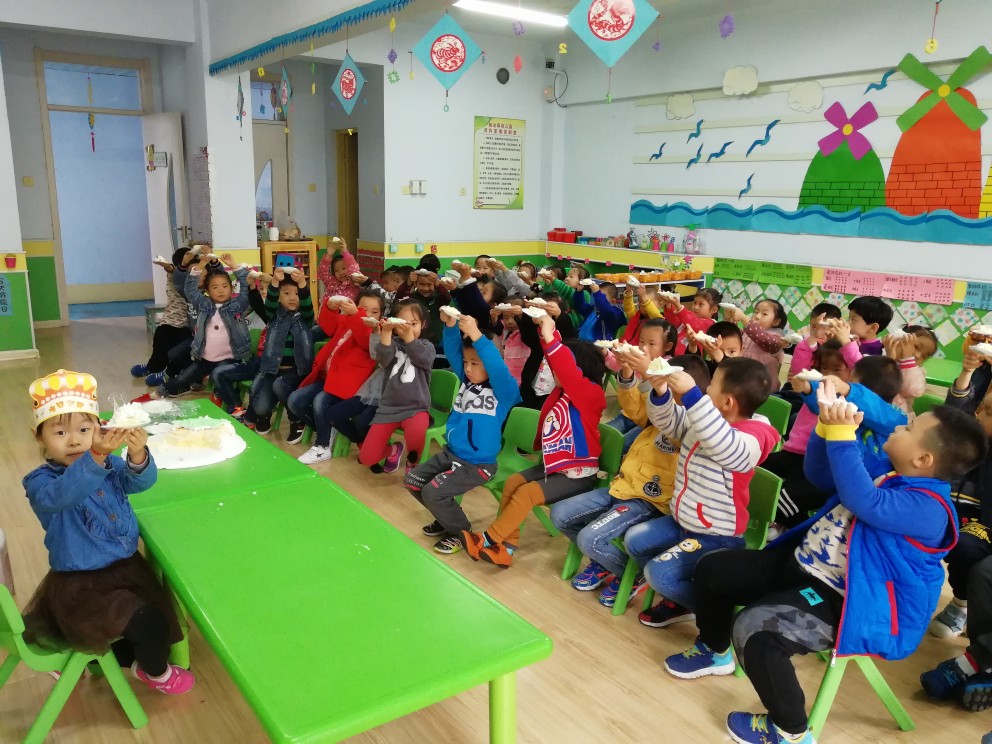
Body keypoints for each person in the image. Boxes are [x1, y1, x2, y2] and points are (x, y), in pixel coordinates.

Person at [665, 386, 986, 744]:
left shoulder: (930, 510)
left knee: (757, 629)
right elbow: (820, 475)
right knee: (713, 569)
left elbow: (865, 501)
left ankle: (790, 730)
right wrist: (824, 427)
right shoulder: (888, 470)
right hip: (804, 566)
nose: (899, 427)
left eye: (909, 428)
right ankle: (715, 650)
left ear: (923, 459)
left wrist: (843, 436)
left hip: (848, 601)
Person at [23, 369, 193, 694]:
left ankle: (109, 658)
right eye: (60, 432)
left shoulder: (110, 465)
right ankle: (155, 673)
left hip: (125, 569)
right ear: (39, 437)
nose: (74, 440)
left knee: (155, 616)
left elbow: (139, 482)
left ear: (99, 429)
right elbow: (62, 495)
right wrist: (96, 455)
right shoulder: (41, 482)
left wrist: (137, 454)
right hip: (82, 584)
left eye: (84, 429)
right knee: (148, 622)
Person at [625, 357, 780, 628]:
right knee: (635, 540)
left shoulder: (752, 438)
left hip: (716, 536)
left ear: (727, 402)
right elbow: (669, 423)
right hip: (683, 522)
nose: (706, 389)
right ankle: (679, 596)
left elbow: (723, 445)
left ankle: (718, 614)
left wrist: (692, 395)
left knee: (658, 574)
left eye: (712, 386)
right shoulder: (706, 419)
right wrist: (660, 391)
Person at [551, 355, 710, 608]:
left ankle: (630, 574)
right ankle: (606, 561)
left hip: (647, 500)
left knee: (589, 539)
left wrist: (661, 387)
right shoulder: (660, 409)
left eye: (667, 383)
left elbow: (674, 426)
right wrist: (626, 373)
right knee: (560, 514)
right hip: (622, 486)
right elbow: (634, 407)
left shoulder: (694, 427)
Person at [461, 314, 607, 568]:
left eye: (560, 366)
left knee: (526, 493)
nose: (552, 369)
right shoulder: (562, 392)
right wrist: (547, 332)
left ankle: (489, 538)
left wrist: (551, 337)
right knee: (513, 483)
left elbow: (566, 368)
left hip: (578, 474)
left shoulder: (591, 395)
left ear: (579, 370)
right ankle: (506, 548)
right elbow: (556, 358)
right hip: (555, 466)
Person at [404, 311, 520, 554]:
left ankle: (461, 533)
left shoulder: (505, 390)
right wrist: (450, 326)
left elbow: (497, 367)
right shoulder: (467, 381)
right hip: (451, 454)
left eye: (475, 363)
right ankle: (446, 519)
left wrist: (476, 335)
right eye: (467, 363)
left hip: (478, 464)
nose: (467, 368)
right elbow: (454, 352)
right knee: (413, 481)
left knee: (433, 492)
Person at [926, 350, 992, 639]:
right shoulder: (973, 435)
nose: (978, 415)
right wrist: (967, 373)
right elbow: (955, 415)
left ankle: (961, 603)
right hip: (949, 505)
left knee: (966, 546)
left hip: (982, 522)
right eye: (982, 408)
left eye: (987, 413)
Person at [142, 253, 251, 402]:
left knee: (220, 377)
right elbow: (190, 290)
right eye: (215, 287)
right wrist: (200, 265)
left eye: (225, 286)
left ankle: (233, 405)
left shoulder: (237, 306)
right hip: (206, 358)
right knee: (182, 378)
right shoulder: (204, 304)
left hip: (230, 358)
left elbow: (246, 288)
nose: (220, 290)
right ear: (207, 291)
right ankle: (159, 393)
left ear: (231, 289)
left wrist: (233, 266)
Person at [289, 290, 381, 463]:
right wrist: (330, 308)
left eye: (374, 311)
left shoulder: (376, 331)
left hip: (348, 385)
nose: (368, 314)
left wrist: (356, 315)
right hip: (328, 378)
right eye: (363, 308)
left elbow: (364, 340)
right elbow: (327, 326)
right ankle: (326, 428)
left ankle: (323, 445)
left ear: (381, 315)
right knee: (295, 400)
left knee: (320, 401)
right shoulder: (347, 320)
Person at [359, 299, 436, 473]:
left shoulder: (427, 346)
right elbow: (383, 359)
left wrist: (409, 338)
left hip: (416, 408)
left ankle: (412, 464)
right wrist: (386, 333)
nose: (408, 328)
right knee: (366, 458)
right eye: (403, 323)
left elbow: (421, 357)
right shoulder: (392, 344)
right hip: (388, 409)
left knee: (416, 435)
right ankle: (394, 450)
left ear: (423, 324)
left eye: (413, 324)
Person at [240, 267, 314, 434]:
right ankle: (263, 415)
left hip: (296, 372)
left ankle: (296, 420)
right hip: (273, 369)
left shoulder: (306, 317)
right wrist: (274, 282)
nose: (292, 297)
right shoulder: (273, 316)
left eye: (296, 294)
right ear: (279, 297)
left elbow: (307, 302)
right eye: (286, 293)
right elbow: (270, 302)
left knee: (280, 385)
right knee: (260, 407)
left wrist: (302, 282)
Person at [130, 249, 192, 385]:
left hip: (187, 325)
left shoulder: (198, 280)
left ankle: (169, 372)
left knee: (178, 351)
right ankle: (153, 367)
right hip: (169, 322)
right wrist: (167, 266)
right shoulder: (175, 276)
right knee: (160, 344)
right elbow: (172, 270)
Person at [724, 299, 789, 392]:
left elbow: (764, 340)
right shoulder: (748, 332)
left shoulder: (777, 339)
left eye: (764, 314)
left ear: (776, 322)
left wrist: (744, 318)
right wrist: (730, 320)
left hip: (762, 387)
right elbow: (734, 336)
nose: (757, 316)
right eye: (756, 312)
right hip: (742, 380)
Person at [660, 287, 721, 354]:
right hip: (673, 355)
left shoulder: (711, 324)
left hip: (690, 359)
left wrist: (678, 305)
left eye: (701, 304)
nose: (696, 307)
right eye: (695, 303)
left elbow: (694, 323)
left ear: (714, 310)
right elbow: (675, 323)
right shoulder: (689, 318)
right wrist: (669, 305)